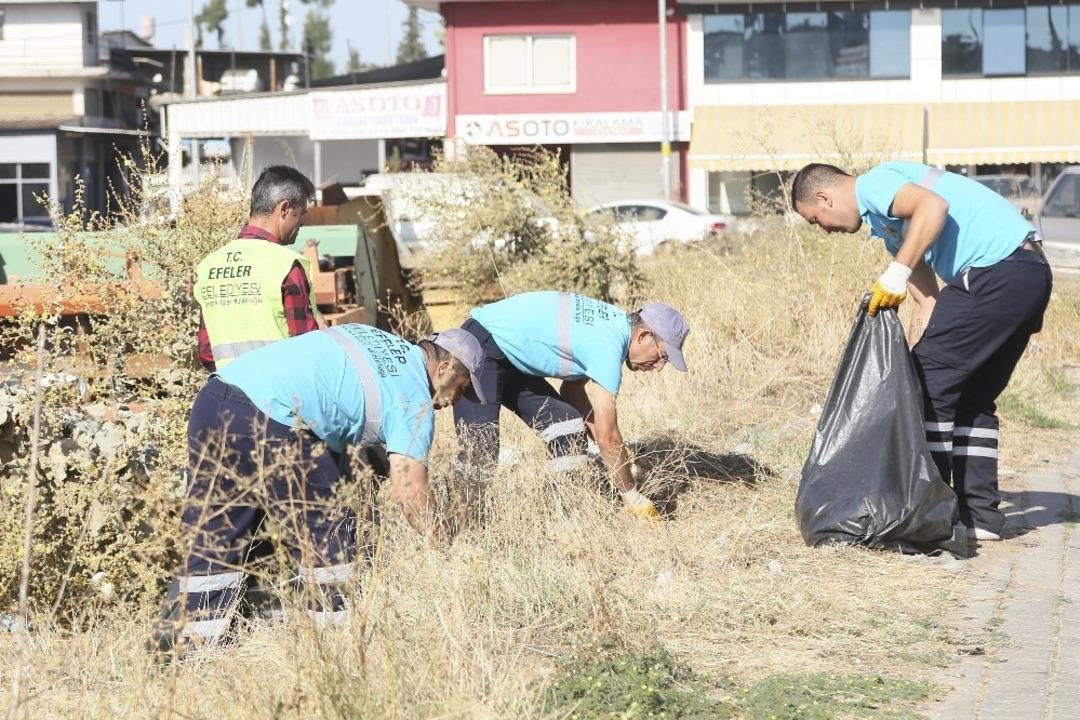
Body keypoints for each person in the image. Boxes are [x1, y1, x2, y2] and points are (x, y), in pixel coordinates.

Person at [151, 324, 486, 653]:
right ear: (442, 369)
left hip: (215, 400)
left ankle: (179, 651)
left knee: (217, 530)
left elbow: (335, 399)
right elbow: (409, 492)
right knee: (328, 537)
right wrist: (445, 545)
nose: (456, 400)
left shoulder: (373, 336)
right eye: (461, 387)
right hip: (274, 420)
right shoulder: (415, 398)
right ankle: (330, 649)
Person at [790, 161, 1053, 541]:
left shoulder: (874, 185)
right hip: (1025, 273)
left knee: (928, 391)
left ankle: (927, 512)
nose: (825, 231)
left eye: (817, 220)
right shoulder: (891, 229)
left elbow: (934, 207)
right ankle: (979, 517)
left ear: (824, 197)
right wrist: (910, 358)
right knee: (970, 397)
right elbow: (929, 302)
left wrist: (896, 271)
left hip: (996, 272)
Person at [453, 291, 691, 520]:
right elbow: (609, 438)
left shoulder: (614, 325)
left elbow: (573, 391)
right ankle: (461, 526)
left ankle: (565, 514)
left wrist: (615, 453)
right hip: (478, 347)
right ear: (644, 336)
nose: (659, 366)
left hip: (509, 358)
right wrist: (630, 494)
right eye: (662, 356)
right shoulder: (608, 346)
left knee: (565, 423)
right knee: (480, 448)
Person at [193, 165, 320, 371]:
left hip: (229, 392)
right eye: (301, 214)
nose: (302, 223)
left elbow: (207, 353)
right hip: (280, 395)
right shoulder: (285, 265)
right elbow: (306, 347)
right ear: (285, 208)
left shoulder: (209, 266)